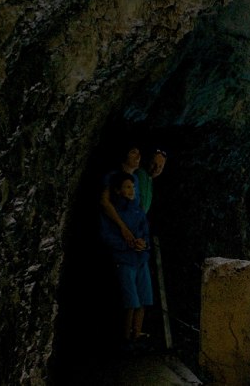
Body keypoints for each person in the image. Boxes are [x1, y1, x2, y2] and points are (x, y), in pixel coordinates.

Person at [99, 172, 152, 350]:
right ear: (118, 190)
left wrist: (143, 243)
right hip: (124, 260)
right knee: (130, 301)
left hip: (140, 258)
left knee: (143, 299)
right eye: (128, 187)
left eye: (133, 187)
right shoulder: (113, 213)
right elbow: (106, 236)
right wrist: (127, 245)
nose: (132, 190)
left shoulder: (137, 211)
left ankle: (136, 334)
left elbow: (145, 231)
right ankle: (125, 338)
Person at [99, 144, 151, 247]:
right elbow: (104, 202)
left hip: (132, 238)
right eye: (133, 152)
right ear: (124, 155)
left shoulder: (135, 179)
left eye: (139, 153)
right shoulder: (111, 176)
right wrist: (123, 228)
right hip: (113, 234)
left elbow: (137, 207)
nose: (138, 157)